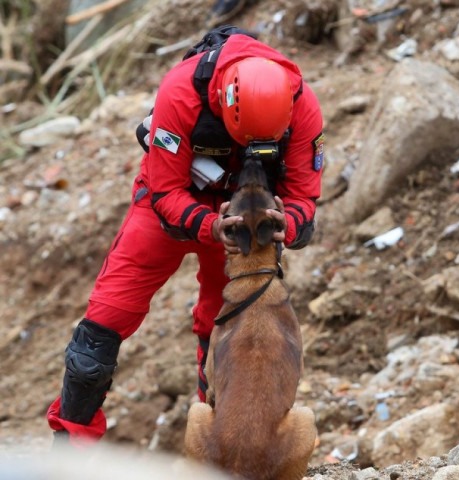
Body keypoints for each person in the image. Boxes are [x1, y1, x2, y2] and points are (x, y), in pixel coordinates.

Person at [46, 25, 325, 447]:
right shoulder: (181, 92)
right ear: (226, 107)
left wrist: (289, 220)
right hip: (171, 205)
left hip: (242, 217)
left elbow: (305, 195)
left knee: (222, 335)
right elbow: (165, 191)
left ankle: (216, 449)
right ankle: (68, 452)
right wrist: (211, 225)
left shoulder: (302, 105)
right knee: (99, 336)